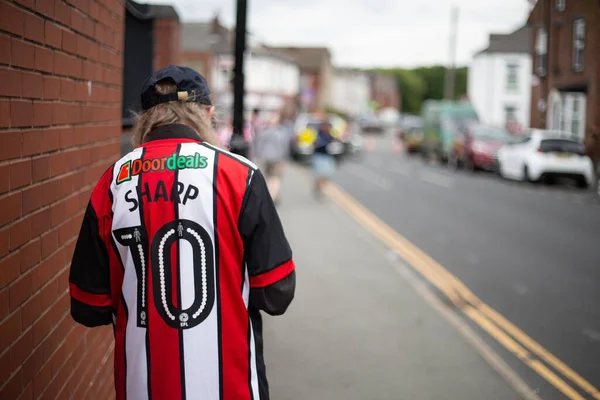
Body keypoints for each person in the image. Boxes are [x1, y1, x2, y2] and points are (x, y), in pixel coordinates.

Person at [68, 65, 296, 400]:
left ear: (144, 118)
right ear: (208, 113)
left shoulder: (112, 182)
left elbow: (87, 306)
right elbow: (277, 292)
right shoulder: (240, 176)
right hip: (231, 387)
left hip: (142, 388)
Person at [253, 112, 290, 203]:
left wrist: (257, 156)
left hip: (264, 157)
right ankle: (271, 197)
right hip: (276, 158)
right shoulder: (282, 132)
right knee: (274, 178)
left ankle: (271, 196)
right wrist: (283, 159)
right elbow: (285, 146)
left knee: (269, 178)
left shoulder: (262, 131)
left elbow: (257, 144)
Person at [312, 120, 341, 197]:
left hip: (328, 157)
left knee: (327, 175)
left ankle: (322, 188)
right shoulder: (318, 135)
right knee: (320, 175)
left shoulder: (330, 136)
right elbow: (314, 144)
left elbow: (336, 142)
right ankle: (320, 188)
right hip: (319, 157)